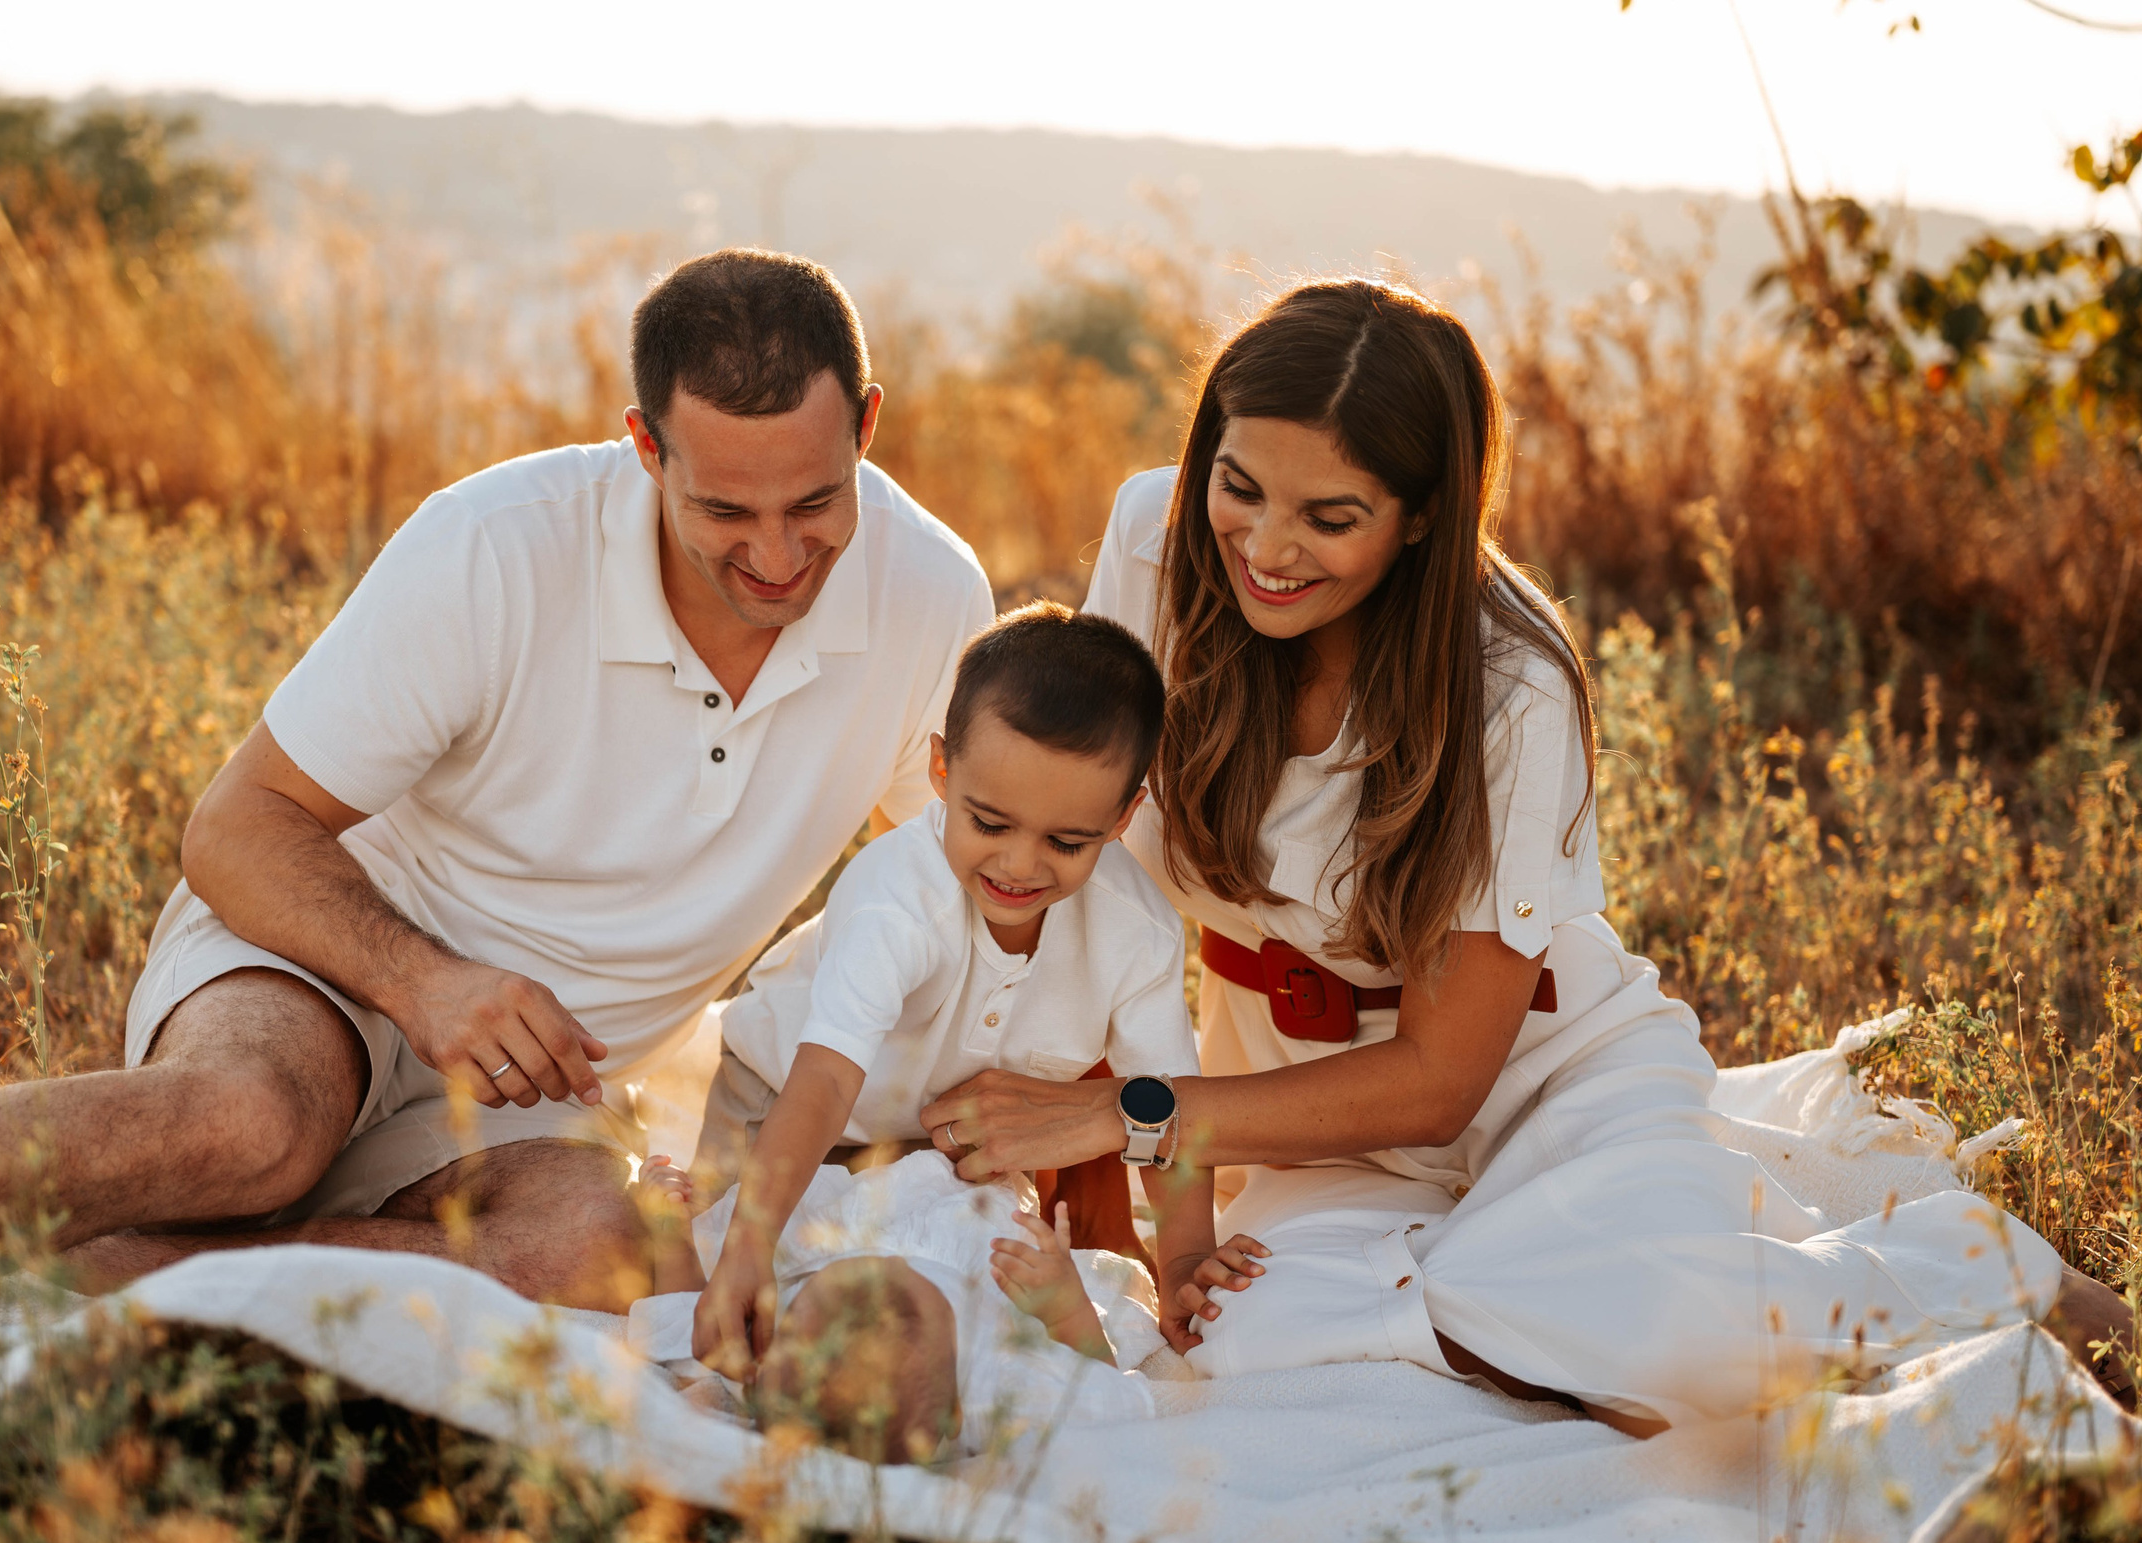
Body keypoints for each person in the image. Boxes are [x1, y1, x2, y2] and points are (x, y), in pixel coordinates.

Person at [0, 248, 994, 1317]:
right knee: (248, 1123)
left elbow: (965, 887)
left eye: (814, 504)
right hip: (323, 966)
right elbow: (236, 828)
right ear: (644, 447)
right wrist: (429, 985)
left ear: (866, 423)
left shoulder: (932, 599)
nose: (774, 556)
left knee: (608, 1255)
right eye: (723, 512)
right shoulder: (496, 547)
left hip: (529, 1096)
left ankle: (125, 1265)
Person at [922, 277, 2134, 1434]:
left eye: (1328, 517)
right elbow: (1097, 870)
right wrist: (1113, 1166)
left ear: (1422, 516)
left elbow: (1442, 1080)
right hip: (1288, 1115)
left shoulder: (1510, 679)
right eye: (1239, 486)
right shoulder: (1157, 536)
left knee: (1664, 1353)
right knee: (1238, 1336)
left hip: (1537, 1086)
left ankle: (1949, 1262)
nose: (1265, 546)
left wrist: (1117, 1117)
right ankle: (1555, 1283)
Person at [676, 602, 1213, 1378]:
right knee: (739, 1290)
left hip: (945, 1145)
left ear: (1125, 816)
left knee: (958, 1314)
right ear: (941, 769)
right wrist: (746, 1253)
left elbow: (1167, 1111)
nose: (1021, 864)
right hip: (787, 1106)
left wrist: (1187, 1257)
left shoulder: (1137, 930)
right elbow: (824, 1080)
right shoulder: (899, 896)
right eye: (989, 821)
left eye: (1067, 841)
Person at [628, 1150, 1180, 1464]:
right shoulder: (1000, 1385)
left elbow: (684, 1310)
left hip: (839, 1222)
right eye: (914, 1288)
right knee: (1013, 1206)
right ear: (956, 1416)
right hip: (975, 1243)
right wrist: (1065, 1309)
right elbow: (1106, 1393)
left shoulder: (746, 1360)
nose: (892, 1263)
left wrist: (667, 1229)